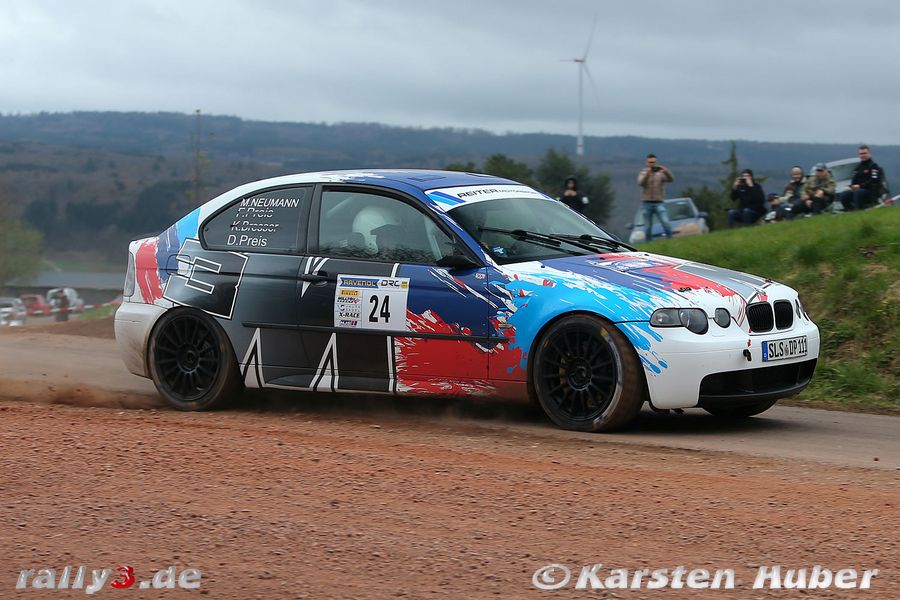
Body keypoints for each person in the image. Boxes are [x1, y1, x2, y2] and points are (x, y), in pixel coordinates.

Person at [637, 154, 674, 241]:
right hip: (646, 202)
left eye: (653, 162)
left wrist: (666, 171)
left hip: (659, 202)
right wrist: (648, 174)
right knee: (648, 226)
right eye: (650, 162)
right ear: (647, 163)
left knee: (665, 221)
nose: (652, 164)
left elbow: (671, 179)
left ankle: (670, 239)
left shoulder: (660, 173)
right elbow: (640, 183)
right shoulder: (643, 172)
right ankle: (648, 243)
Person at [836, 145, 884, 211]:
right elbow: (854, 182)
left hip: (871, 192)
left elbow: (874, 181)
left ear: (869, 153)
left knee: (858, 192)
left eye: (864, 153)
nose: (863, 155)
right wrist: (849, 187)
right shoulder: (858, 168)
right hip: (858, 191)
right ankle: (850, 211)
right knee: (844, 195)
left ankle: (858, 210)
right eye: (861, 154)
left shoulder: (874, 166)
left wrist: (860, 186)